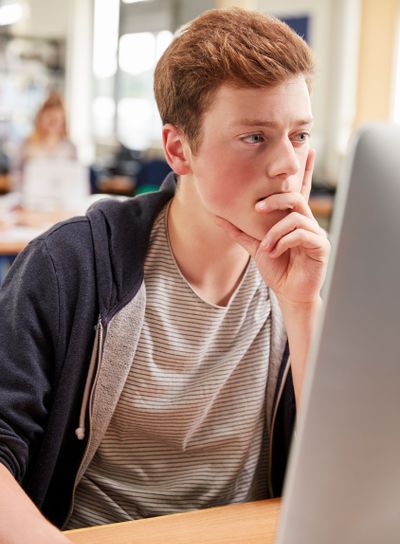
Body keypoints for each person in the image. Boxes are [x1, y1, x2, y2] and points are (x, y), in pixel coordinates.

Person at [0, 8, 330, 544]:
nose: (287, 166)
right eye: (254, 137)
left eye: (299, 135)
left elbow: (343, 474)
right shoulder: (69, 268)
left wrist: (302, 306)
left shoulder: (312, 277)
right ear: (180, 150)